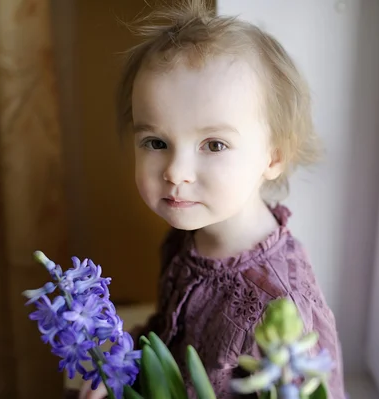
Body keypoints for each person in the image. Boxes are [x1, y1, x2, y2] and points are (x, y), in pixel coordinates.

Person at [80, 0, 345, 397]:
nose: (175, 171)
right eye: (156, 142)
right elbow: (169, 332)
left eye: (214, 144)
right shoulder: (187, 235)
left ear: (273, 156)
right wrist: (123, 359)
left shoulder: (278, 307)